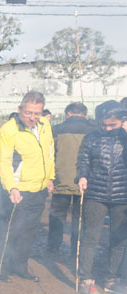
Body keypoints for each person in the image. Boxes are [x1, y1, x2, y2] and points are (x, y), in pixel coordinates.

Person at [0, 91, 55, 281]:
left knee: (30, 231)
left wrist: (50, 178)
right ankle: (0, 268)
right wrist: (11, 187)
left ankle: (20, 266)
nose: (32, 117)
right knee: (11, 230)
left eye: (36, 113)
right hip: (18, 189)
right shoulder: (8, 130)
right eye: (28, 113)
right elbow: (3, 162)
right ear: (20, 109)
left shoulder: (45, 125)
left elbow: (50, 153)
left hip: (40, 188)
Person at [75, 101, 127, 294]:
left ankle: (112, 278)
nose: (106, 129)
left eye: (111, 125)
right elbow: (84, 160)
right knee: (91, 236)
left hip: (123, 194)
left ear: (122, 120)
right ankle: (86, 278)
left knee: (119, 239)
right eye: (103, 125)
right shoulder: (91, 137)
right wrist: (82, 176)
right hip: (95, 193)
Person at [49, 102, 94, 258]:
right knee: (79, 218)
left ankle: (53, 248)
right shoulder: (94, 130)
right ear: (86, 115)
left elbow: (50, 155)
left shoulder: (56, 130)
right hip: (85, 182)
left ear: (67, 113)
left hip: (60, 180)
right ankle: (77, 250)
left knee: (57, 215)